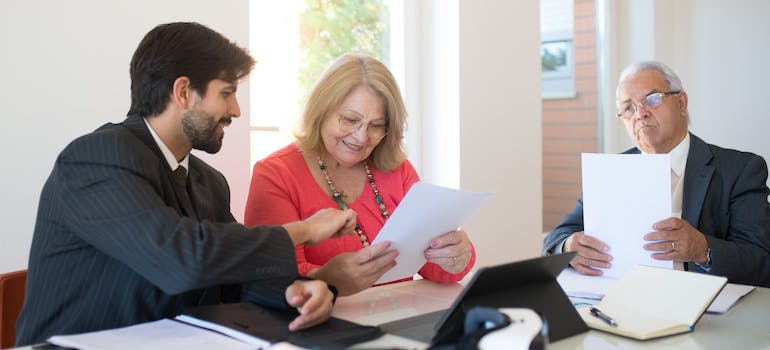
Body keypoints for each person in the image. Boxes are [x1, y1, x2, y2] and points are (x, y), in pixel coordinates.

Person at [15, 22, 358, 346]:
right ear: (183, 93)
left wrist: (295, 292)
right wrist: (304, 231)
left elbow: (234, 276)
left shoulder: (209, 182)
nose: (236, 110)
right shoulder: (95, 159)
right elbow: (183, 259)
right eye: (226, 93)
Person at [244, 53, 476, 296]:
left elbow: (434, 266)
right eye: (350, 120)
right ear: (321, 111)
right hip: (321, 324)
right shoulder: (276, 174)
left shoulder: (398, 170)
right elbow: (272, 278)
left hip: (396, 317)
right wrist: (333, 279)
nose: (361, 137)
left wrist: (456, 255)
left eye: (376, 126)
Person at [542, 61, 770, 287]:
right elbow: (558, 236)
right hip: (619, 296)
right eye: (629, 107)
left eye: (652, 99)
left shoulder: (741, 169)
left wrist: (703, 249)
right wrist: (568, 245)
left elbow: (761, 261)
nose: (640, 114)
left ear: (681, 102)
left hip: (704, 306)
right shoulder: (611, 170)